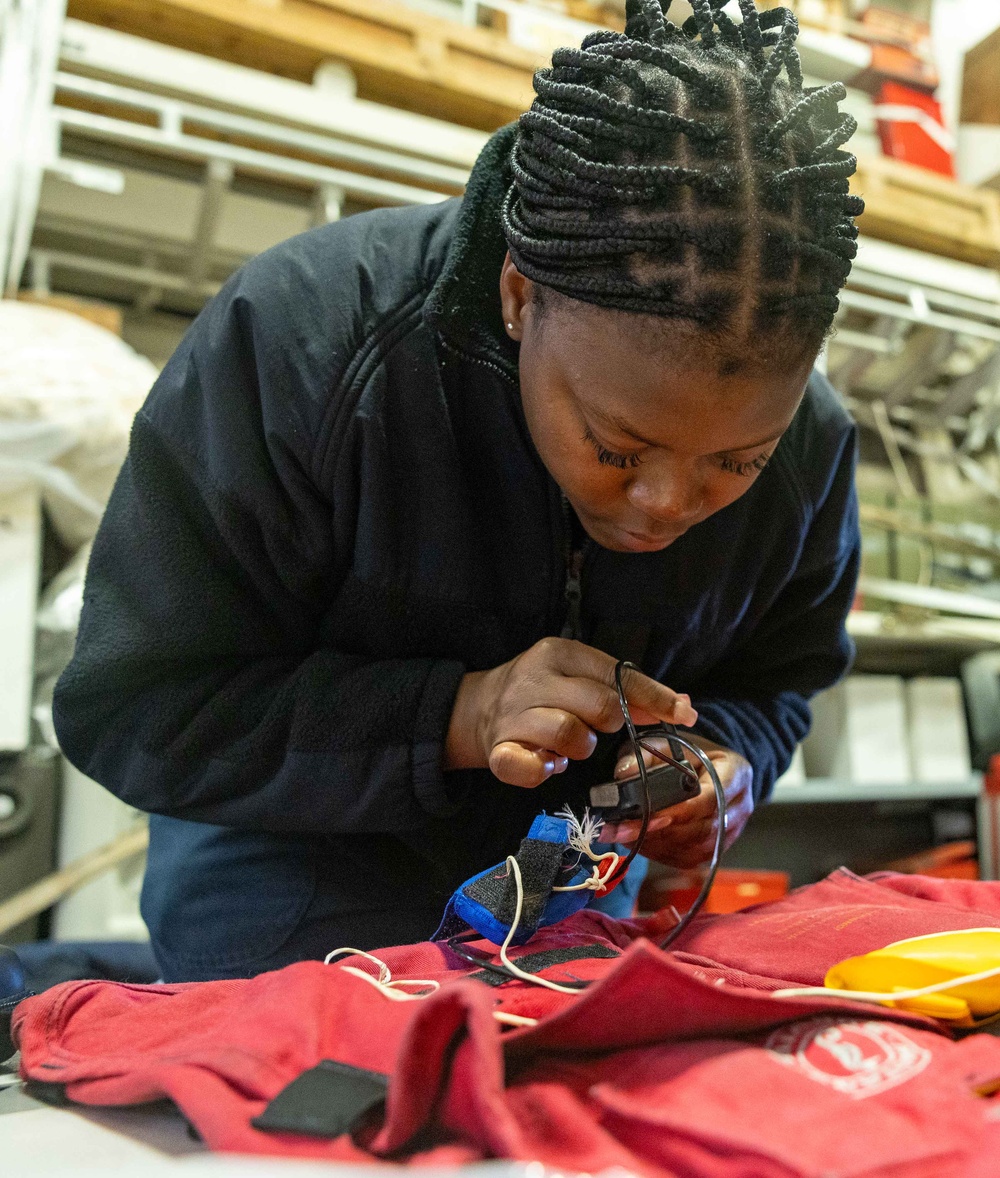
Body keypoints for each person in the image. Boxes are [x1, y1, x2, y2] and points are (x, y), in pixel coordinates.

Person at [53, 0, 862, 982]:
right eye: (616, 447)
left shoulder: (813, 440)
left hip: (567, 898)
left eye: (735, 462)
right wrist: (458, 715)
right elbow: (138, 709)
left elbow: (779, 678)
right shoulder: (305, 345)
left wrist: (720, 765)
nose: (663, 503)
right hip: (284, 894)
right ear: (520, 296)